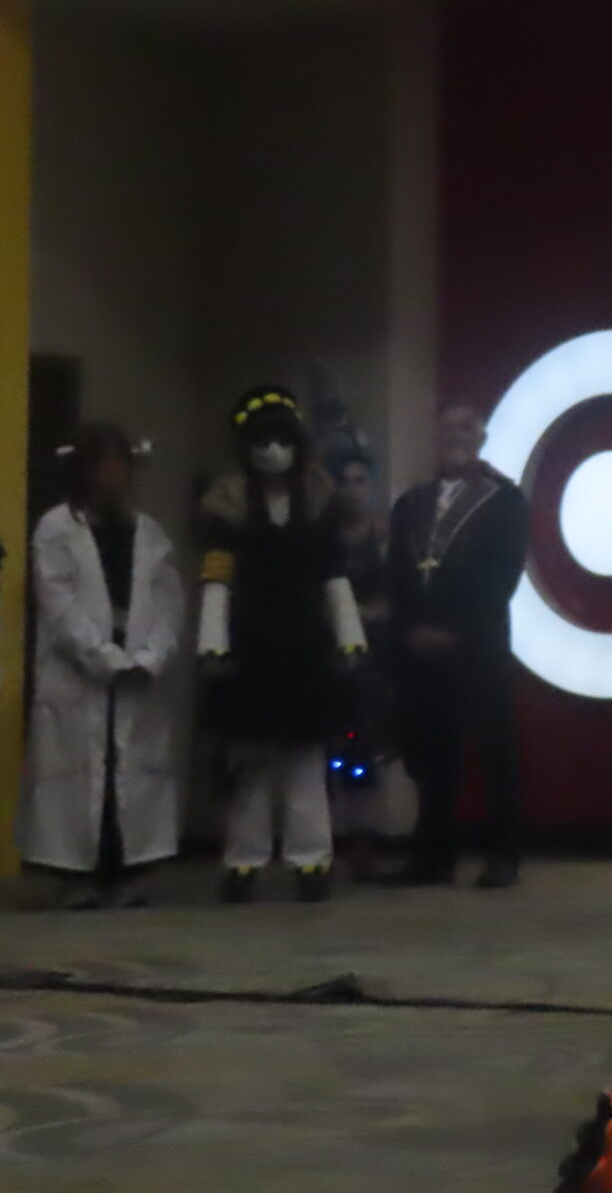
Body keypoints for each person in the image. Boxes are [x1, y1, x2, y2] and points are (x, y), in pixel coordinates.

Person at [198, 384, 369, 903]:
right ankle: (243, 860)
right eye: (260, 441)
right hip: (249, 645)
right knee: (248, 762)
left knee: (306, 760)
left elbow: (335, 578)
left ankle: (311, 859)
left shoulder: (318, 504)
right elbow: (216, 581)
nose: (271, 451)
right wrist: (212, 643)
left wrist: (351, 638)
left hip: (304, 646)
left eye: (281, 440)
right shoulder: (227, 507)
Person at [20, 423, 184, 908]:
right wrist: (105, 657)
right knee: (77, 779)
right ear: (84, 470)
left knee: (129, 776)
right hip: (79, 674)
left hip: (137, 670)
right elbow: (60, 605)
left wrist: (150, 657)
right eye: (103, 464)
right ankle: (75, 878)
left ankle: (129, 873)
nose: (113, 474)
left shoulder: (149, 533)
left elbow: (168, 603)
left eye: (120, 464)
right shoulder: (56, 529)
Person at [386, 403, 529, 890]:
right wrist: (410, 629)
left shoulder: (505, 499)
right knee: (430, 753)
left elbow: (502, 574)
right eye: (447, 427)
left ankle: (503, 856)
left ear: (482, 436)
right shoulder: (411, 503)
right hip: (419, 646)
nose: (455, 435)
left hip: (479, 642)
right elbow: (397, 573)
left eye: (465, 427)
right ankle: (432, 858)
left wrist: (456, 631)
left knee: (494, 752)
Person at [325, 447, 396, 884]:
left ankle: (363, 841)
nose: (352, 490)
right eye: (344, 481)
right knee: (326, 753)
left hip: (373, 658)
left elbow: (396, 598)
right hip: (328, 657)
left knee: (365, 754)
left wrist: (368, 614)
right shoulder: (322, 539)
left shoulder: (384, 539)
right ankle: (324, 840)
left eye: (359, 481)